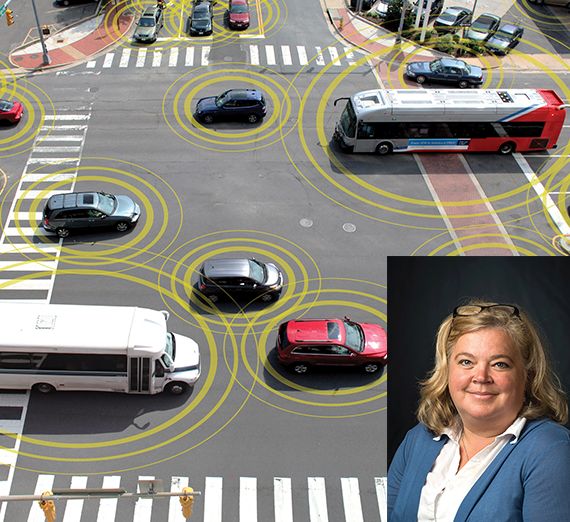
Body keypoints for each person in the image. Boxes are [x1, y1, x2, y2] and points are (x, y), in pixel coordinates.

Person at [388, 301, 570, 522]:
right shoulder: (418, 438)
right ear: (447, 370)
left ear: (527, 375)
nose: (481, 377)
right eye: (466, 362)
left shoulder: (550, 451)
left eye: (499, 364)